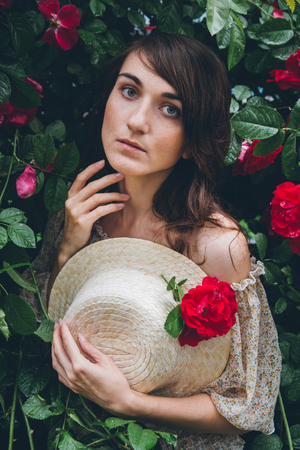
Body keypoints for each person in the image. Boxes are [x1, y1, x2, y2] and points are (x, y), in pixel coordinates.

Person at [24, 33, 281, 450]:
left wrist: (130, 402)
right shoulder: (82, 206)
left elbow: (246, 406)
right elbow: (46, 325)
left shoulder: (217, 245)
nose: (137, 120)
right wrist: (69, 249)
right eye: (129, 91)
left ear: (191, 140)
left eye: (169, 109)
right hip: (71, 431)